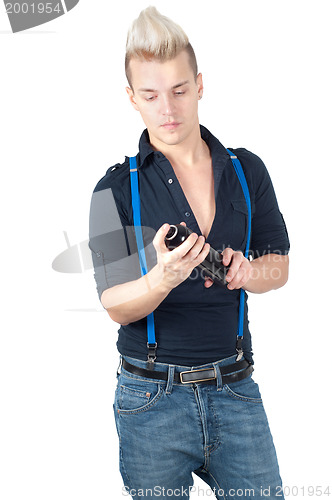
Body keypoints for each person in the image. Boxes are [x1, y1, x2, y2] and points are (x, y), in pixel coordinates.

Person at [88, 6, 290, 499]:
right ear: (132, 99)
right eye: (151, 95)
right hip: (150, 399)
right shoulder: (114, 189)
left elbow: (279, 266)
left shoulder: (247, 170)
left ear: (200, 84)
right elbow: (115, 304)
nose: (168, 109)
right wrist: (163, 277)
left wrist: (248, 272)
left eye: (179, 90)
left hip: (236, 387)